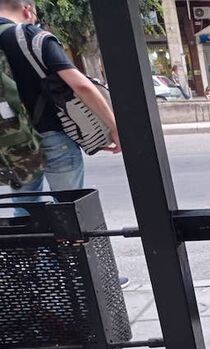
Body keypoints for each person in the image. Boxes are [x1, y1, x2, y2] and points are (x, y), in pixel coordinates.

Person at [0, 0, 127, 287]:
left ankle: (40, 279)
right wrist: (114, 127)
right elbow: (80, 84)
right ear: (27, 9)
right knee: (69, 210)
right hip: (54, 137)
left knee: (25, 210)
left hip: (13, 144)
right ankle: (86, 278)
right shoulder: (30, 36)